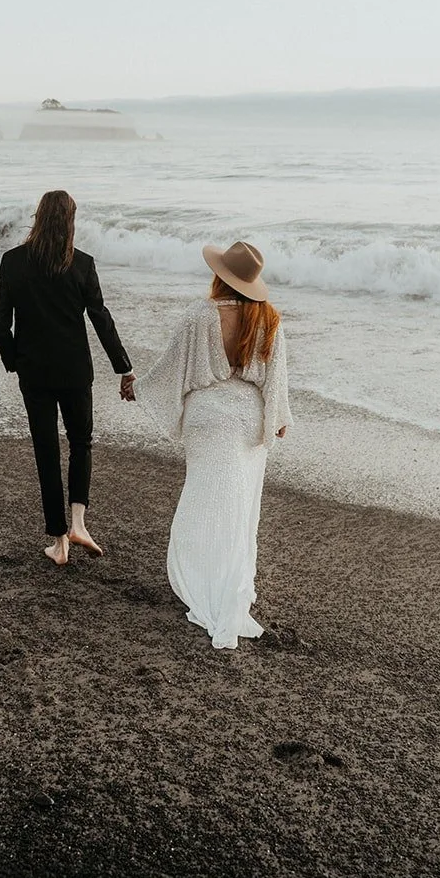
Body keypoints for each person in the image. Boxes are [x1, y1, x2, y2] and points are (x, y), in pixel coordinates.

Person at [128, 240, 291, 649]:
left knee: (201, 502)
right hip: (249, 418)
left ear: (220, 276)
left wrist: (139, 389)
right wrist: (278, 420)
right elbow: (277, 379)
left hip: (209, 419)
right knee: (238, 507)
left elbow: (172, 370)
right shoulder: (269, 317)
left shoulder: (199, 315)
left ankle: (203, 583)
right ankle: (229, 584)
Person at [0, 190, 136, 565]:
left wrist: (14, 360)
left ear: (38, 217)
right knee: (81, 442)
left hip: (34, 371)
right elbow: (101, 319)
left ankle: (58, 541)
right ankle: (79, 523)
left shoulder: (13, 262)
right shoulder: (82, 264)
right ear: (70, 221)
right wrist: (124, 367)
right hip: (75, 371)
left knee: (46, 449)